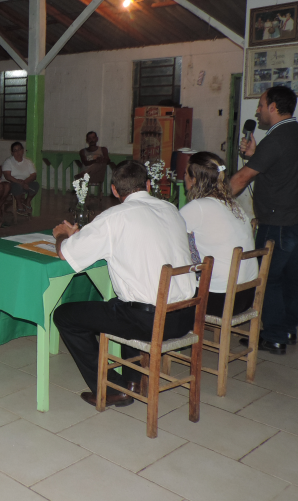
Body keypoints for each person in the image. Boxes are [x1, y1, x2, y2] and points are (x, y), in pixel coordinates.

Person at [52, 160, 198, 407]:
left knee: (65, 315)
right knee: (124, 301)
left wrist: (61, 236)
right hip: (185, 315)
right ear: (149, 185)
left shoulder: (114, 217)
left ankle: (111, 388)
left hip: (150, 322)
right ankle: (132, 382)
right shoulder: (171, 209)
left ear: (114, 190)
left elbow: (66, 254)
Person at [230, 86, 298, 354]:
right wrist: (254, 155)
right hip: (294, 220)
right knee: (291, 277)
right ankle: (289, 328)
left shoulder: (277, 138)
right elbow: (279, 169)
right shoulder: (292, 133)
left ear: (273, 107)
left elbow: (243, 178)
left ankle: (274, 335)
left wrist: (214, 197)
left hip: (276, 222)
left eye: (260, 105)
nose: (257, 111)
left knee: (268, 278)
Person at [180, 152, 257, 317]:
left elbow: (169, 237)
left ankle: (169, 332)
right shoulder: (234, 205)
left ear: (194, 179)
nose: (183, 177)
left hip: (220, 299)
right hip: (246, 295)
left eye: (185, 173)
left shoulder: (198, 207)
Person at [2, 141, 40, 214]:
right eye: (15, 150)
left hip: (25, 182)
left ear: (23, 150)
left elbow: (33, 175)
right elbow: (7, 176)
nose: (18, 152)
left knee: (35, 185)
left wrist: (25, 182)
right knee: (17, 186)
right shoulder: (8, 161)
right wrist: (20, 182)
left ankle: (27, 201)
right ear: (12, 153)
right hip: (13, 183)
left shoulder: (28, 162)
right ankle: (19, 204)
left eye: (19, 149)